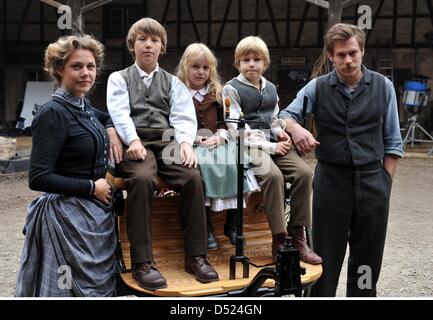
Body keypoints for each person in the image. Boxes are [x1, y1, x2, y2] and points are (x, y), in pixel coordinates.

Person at [280, 23, 404, 296]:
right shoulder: (318, 87)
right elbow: (284, 116)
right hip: (331, 182)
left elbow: (394, 143)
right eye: (340, 55)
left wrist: (385, 184)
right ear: (330, 57)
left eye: (352, 53)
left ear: (362, 51)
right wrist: (296, 127)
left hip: (373, 182)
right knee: (326, 257)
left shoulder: (384, 88)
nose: (347, 60)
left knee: (366, 262)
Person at [106, 18, 219, 291]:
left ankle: (196, 256)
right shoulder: (119, 78)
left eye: (154, 40)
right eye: (142, 39)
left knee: (193, 178)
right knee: (142, 179)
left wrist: (184, 143)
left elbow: (182, 115)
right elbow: (119, 112)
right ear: (133, 46)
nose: (148, 44)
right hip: (137, 142)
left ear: (162, 48)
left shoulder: (172, 83)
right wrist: (131, 139)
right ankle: (143, 261)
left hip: (167, 141)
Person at [15, 35, 123, 297]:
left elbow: (103, 116)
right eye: (77, 66)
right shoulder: (53, 112)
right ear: (59, 69)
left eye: (91, 66)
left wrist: (109, 129)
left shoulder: (83, 106)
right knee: (64, 289)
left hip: (95, 217)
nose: (86, 73)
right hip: (65, 218)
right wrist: (91, 187)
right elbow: (38, 178)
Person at [222, 36, 322, 264]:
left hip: (273, 141)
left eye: (256, 59)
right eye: (245, 60)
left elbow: (274, 118)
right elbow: (236, 128)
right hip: (247, 145)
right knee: (273, 176)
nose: (251, 64)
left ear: (265, 63)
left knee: (304, 174)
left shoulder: (271, 88)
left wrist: (280, 132)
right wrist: (271, 146)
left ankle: (297, 235)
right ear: (238, 64)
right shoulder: (230, 89)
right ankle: (278, 237)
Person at [175, 43, 260, 249]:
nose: (201, 72)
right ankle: (206, 228)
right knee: (201, 170)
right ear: (186, 66)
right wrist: (191, 139)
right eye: (195, 67)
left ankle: (233, 223)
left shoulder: (218, 92)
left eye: (205, 67)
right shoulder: (177, 92)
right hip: (192, 144)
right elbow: (174, 120)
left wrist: (222, 136)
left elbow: (226, 120)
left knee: (238, 164)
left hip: (219, 141)